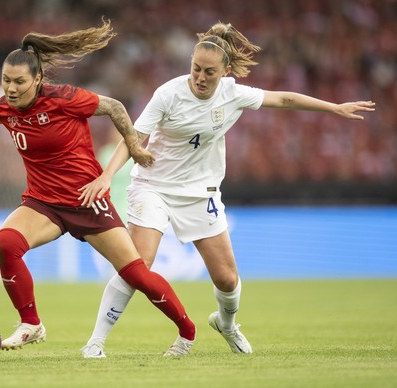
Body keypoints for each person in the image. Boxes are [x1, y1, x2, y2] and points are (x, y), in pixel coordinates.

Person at [78, 22, 375, 357]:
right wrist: (106, 176)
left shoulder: (233, 94)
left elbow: (283, 98)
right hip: (153, 187)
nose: (200, 78)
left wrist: (333, 108)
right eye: (195, 69)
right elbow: (134, 136)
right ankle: (95, 343)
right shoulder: (168, 93)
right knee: (137, 264)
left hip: (200, 192)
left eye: (209, 72)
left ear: (226, 72)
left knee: (227, 279)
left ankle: (227, 324)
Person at [0, 20, 197, 357]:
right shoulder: (6, 106)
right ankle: (31, 323)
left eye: (19, 82)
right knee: (6, 243)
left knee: (137, 275)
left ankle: (187, 332)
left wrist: (133, 147)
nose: (11, 89)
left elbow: (115, 107)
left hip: (88, 201)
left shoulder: (63, 99)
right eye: (6, 81)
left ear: (38, 80)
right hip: (44, 204)